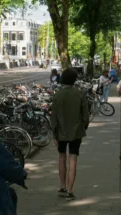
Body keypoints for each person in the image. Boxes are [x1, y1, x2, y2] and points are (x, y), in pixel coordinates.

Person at [51, 69, 89, 201]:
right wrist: (83, 126)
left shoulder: (58, 96)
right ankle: (70, 190)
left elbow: (53, 117)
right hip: (76, 132)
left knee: (62, 157)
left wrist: (55, 134)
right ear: (74, 80)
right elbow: (85, 115)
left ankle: (62, 186)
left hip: (61, 132)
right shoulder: (79, 94)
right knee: (73, 159)